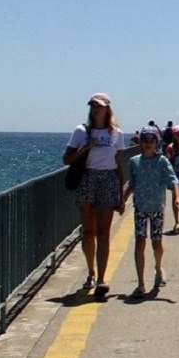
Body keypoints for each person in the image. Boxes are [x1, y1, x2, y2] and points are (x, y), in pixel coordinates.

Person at [62, 92, 128, 299]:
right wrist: (84, 148)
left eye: (99, 106)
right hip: (87, 179)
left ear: (107, 108)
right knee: (88, 232)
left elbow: (119, 165)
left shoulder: (116, 134)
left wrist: (121, 195)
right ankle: (90, 272)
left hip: (107, 180)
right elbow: (67, 158)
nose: (95, 109)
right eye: (93, 106)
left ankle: (101, 278)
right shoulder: (81, 131)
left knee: (104, 233)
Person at [123, 126, 179, 298]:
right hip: (140, 208)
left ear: (156, 143)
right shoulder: (134, 162)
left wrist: (178, 198)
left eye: (151, 141)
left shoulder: (162, 161)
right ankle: (140, 283)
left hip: (157, 209)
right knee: (140, 241)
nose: (148, 144)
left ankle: (157, 267)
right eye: (145, 141)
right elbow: (132, 183)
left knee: (156, 243)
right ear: (141, 143)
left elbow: (173, 180)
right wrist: (123, 199)